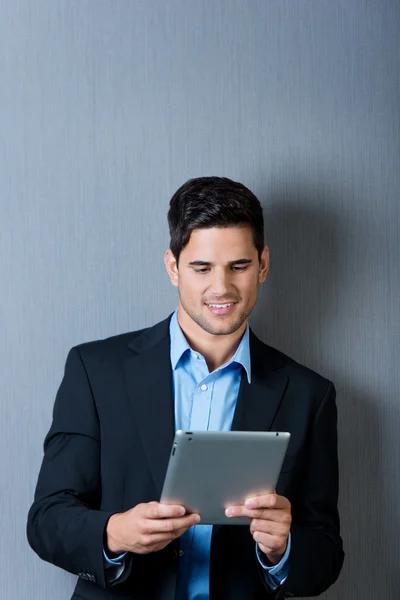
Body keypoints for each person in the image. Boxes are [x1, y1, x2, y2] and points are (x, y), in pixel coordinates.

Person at [27, 176, 344, 600]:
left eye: (239, 266)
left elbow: (325, 551)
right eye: (201, 268)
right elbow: (46, 518)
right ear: (173, 267)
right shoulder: (95, 370)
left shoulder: (310, 395)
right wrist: (114, 533)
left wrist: (283, 548)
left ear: (263, 264)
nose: (222, 288)